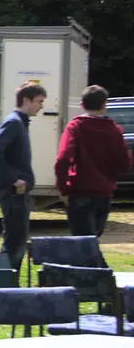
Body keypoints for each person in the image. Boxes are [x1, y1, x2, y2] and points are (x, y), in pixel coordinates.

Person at [56, 84, 131, 238]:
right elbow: (125, 164)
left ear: (82, 105)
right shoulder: (114, 130)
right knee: (92, 240)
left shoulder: (75, 127)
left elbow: (62, 160)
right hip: (104, 192)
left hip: (79, 191)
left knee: (81, 243)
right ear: (104, 105)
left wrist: (63, 189)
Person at [0, 82, 47, 268]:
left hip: (18, 191)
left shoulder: (20, 122)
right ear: (26, 100)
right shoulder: (13, 122)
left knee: (17, 239)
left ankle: (7, 283)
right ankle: (5, 284)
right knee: (14, 240)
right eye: (39, 101)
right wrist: (15, 179)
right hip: (13, 191)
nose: (41, 106)